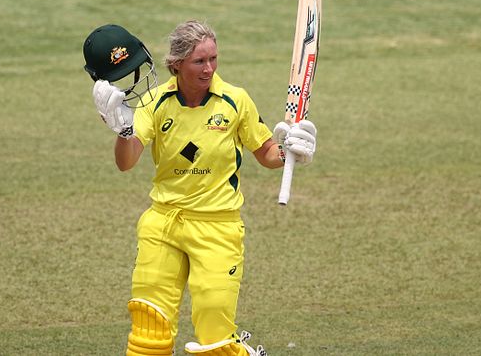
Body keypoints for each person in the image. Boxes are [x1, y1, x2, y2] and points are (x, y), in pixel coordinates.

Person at [83, 21, 317, 356]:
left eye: (213, 59)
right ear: (176, 64)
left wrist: (290, 151)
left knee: (215, 339)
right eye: (199, 61)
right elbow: (127, 161)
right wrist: (122, 133)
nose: (208, 68)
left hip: (217, 226)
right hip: (163, 224)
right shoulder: (155, 102)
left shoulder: (235, 101)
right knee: (150, 327)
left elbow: (266, 153)